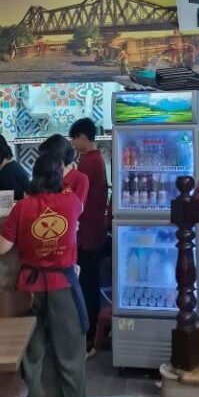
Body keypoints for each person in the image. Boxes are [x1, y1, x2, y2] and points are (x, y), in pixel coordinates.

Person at [0, 134, 102, 397]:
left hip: (28, 289)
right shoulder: (71, 203)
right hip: (62, 287)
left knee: (30, 358)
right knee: (71, 355)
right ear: (59, 176)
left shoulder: (23, 208)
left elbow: (0, 247)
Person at [69, 117, 108, 355]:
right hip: (95, 233)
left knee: (87, 287)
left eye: (74, 138)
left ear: (83, 137)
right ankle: (92, 336)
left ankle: (90, 339)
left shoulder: (88, 164)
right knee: (89, 285)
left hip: (88, 236)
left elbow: (74, 201)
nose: (73, 143)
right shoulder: (96, 160)